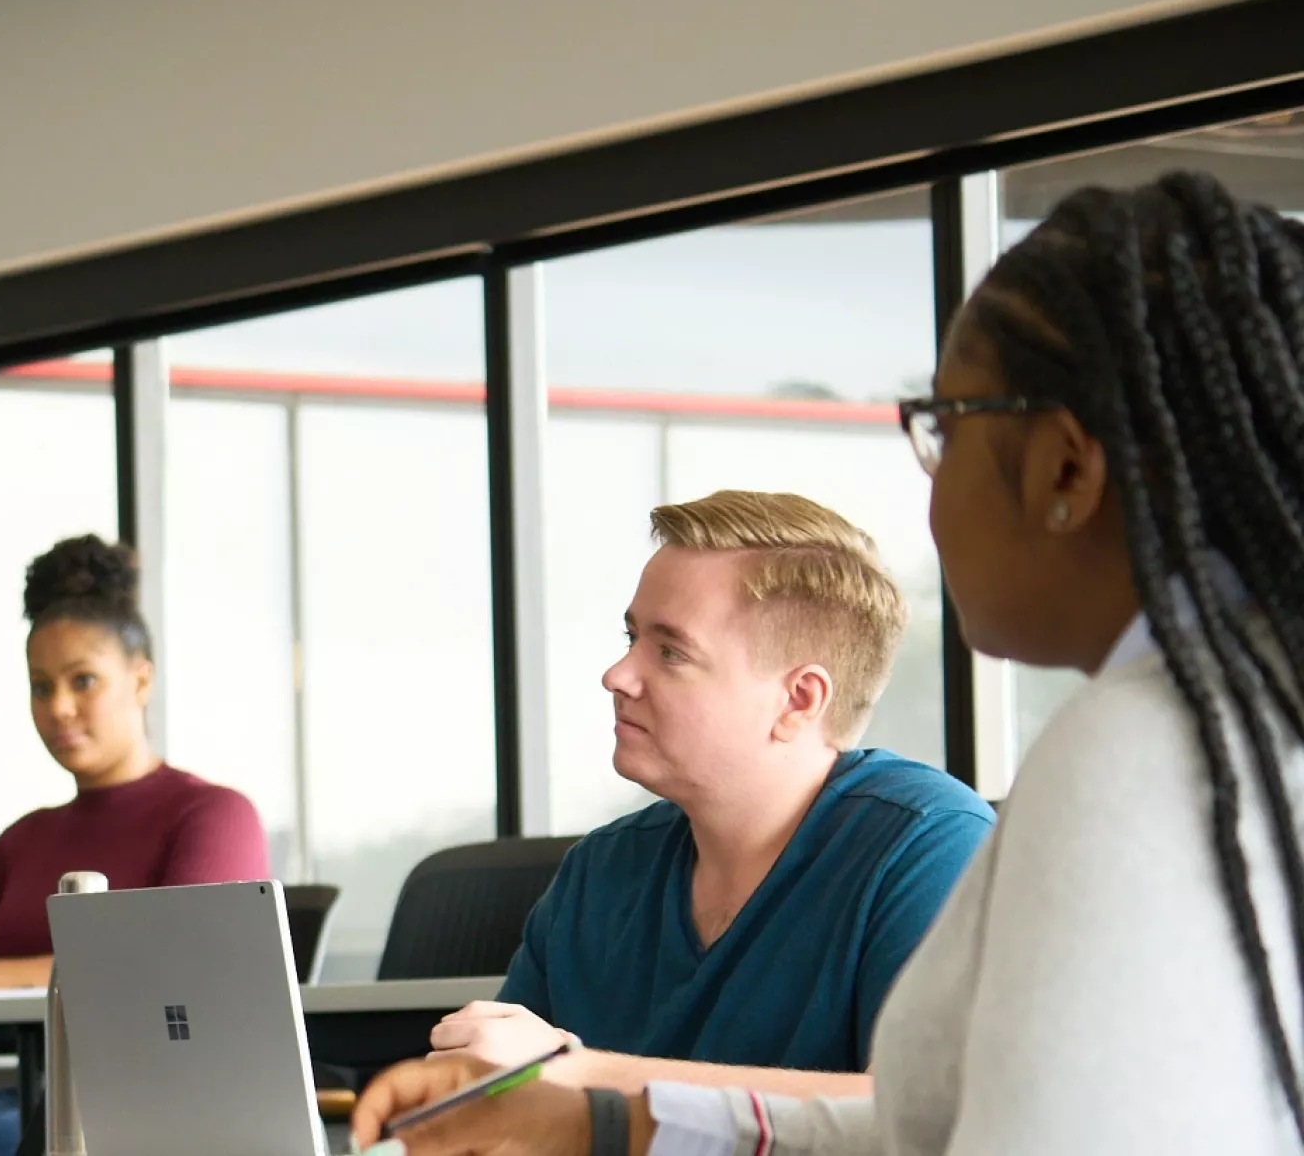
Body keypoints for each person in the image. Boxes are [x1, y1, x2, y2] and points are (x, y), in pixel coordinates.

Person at [351, 170, 1304, 1155]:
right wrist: (604, 1111)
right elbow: (924, 1128)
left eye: (944, 427)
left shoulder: (1134, 759)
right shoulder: (1215, 728)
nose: (930, 489)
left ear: (1066, 465)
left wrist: (593, 1084)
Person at [427, 492, 993, 1099]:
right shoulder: (600, 871)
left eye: (671, 652)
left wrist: (582, 1072)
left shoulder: (932, 846)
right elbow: (507, 1106)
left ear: (798, 700)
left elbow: (923, 1110)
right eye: (631, 637)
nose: (617, 676)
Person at [0, 535, 272, 1156]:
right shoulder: (27, 837)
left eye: (83, 681)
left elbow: (158, 973)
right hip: (40, 1090)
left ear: (141, 679)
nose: (59, 707)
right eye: (41, 687)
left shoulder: (214, 815)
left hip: (161, 1098)